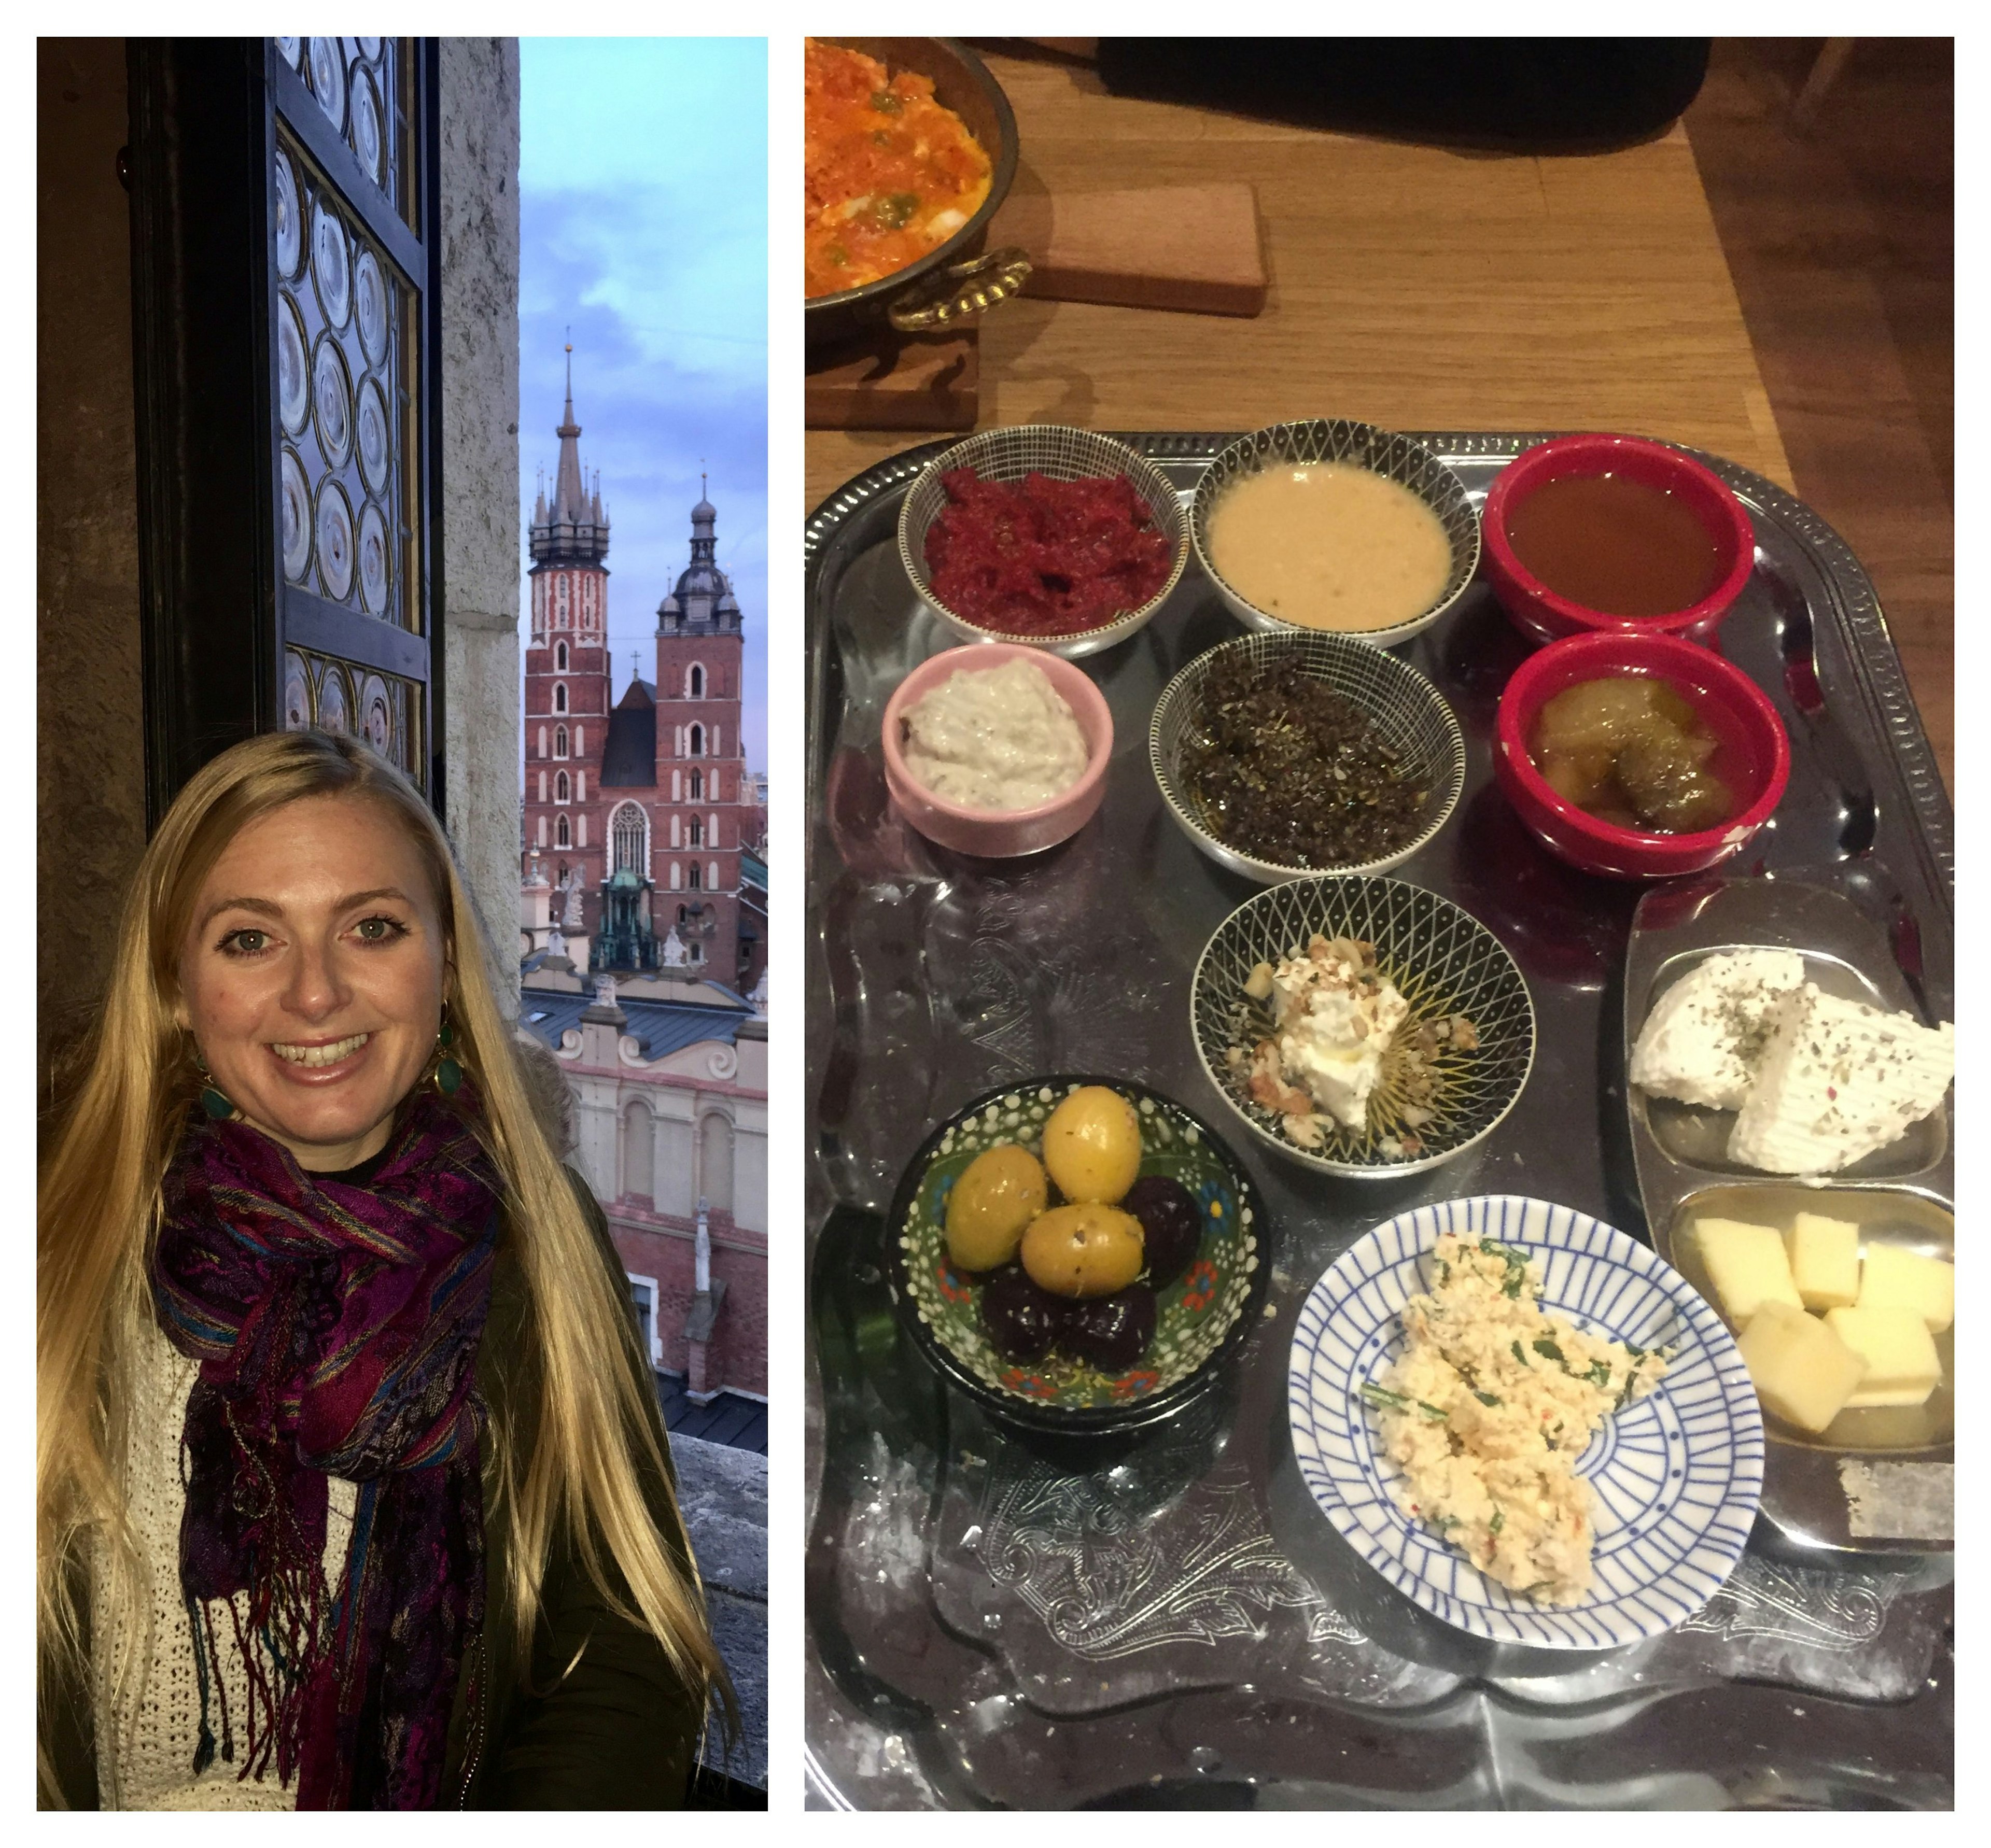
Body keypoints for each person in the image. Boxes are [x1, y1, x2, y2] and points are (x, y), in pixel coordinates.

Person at [38, 729, 734, 1809]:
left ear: (446, 963)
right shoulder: (59, 1242)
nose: (316, 994)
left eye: (371, 926)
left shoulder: (540, 1241)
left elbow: (628, 1639)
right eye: (248, 939)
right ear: (178, 984)